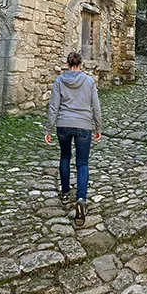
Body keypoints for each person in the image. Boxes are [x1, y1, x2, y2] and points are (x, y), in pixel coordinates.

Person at [44, 51, 101, 226]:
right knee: (82, 163)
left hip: (63, 124)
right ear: (81, 64)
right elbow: (96, 106)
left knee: (65, 157)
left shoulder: (60, 81)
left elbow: (54, 106)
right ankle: (81, 198)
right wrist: (98, 127)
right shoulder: (89, 82)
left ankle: (66, 192)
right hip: (84, 125)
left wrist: (48, 129)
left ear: (68, 64)